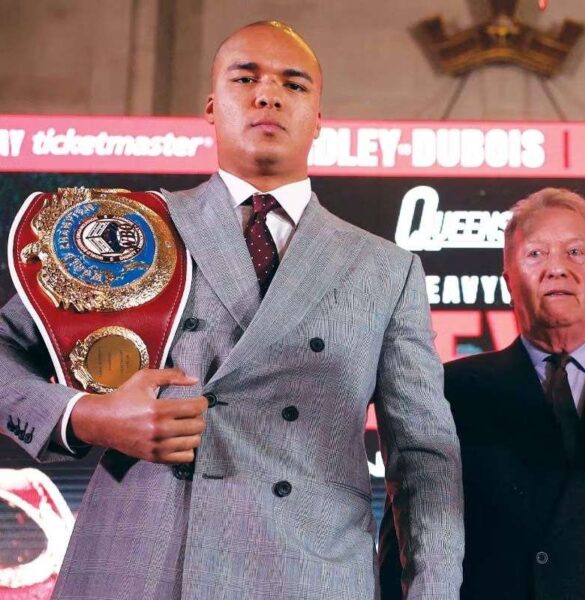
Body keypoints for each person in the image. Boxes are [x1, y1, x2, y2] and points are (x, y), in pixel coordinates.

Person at [0, 21, 463, 599]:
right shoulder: (130, 230)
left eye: (293, 85)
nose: (268, 94)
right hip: (141, 566)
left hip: (307, 577)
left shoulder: (386, 271)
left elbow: (424, 460)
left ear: (320, 117)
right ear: (213, 107)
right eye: (246, 78)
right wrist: (86, 417)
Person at [380, 187, 585, 599]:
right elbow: (404, 547)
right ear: (508, 282)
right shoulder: (446, 394)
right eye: (536, 254)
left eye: (575, 252)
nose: (556, 269)